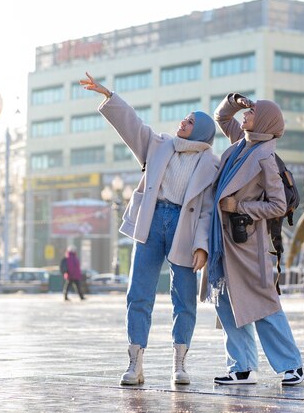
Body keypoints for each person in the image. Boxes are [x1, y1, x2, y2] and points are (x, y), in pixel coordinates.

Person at [79, 72, 219, 386]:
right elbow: (132, 125)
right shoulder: (159, 145)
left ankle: (180, 365)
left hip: (185, 226)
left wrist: (202, 246)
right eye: (185, 117)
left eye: (191, 120)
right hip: (152, 221)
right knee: (138, 293)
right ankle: (135, 364)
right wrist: (108, 95)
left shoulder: (212, 164)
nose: (183, 121)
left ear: (204, 131)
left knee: (183, 297)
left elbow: (207, 210)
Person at [207, 93, 304, 386]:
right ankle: (241, 367)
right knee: (226, 302)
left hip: (248, 242)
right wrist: (235, 102)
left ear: (263, 121)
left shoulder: (266, 158)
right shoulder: (242, 143)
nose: (244, 117)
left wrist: (239, 207)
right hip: (222, 239)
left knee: (263, 303)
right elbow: (221, 118)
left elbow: (276, 205)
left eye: (251, 114)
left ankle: (292, 365)